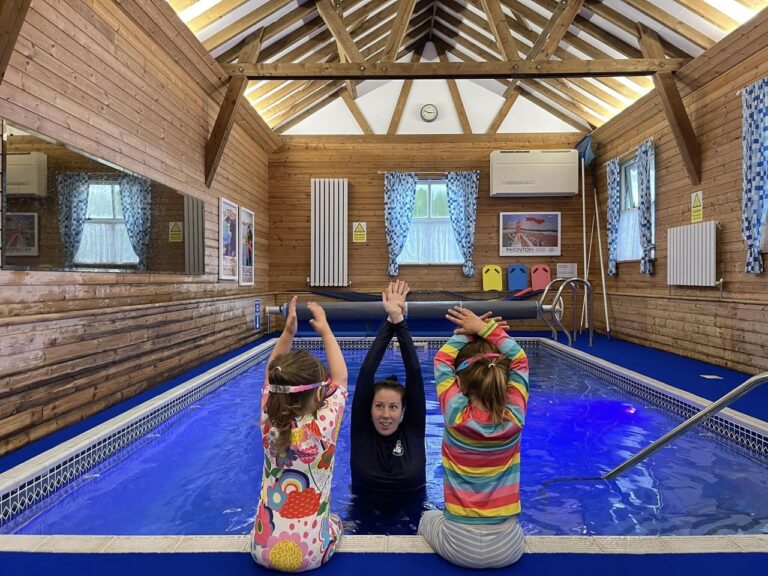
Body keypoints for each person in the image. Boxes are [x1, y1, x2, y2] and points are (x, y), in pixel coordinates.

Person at [418, 306, 529, 569]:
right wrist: (485, 329)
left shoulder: (455, 416)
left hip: (458, 544)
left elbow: (441, 359)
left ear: (461, 383)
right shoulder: (515, 418)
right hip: (508, 546)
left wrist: (467, 332)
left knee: (426, 518)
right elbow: (521, 358)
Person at [251, 296, 348, 572]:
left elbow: (272, 378)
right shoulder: (322, 427)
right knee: (337, 520)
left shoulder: (269, 422)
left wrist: (288, 333)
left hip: (261, 548)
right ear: (320, 393)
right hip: (312, 554)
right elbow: (340, 380)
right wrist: (326, 330)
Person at [350, 280, 426, 493]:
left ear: (403, 411)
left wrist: (398, 320)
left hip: (412, 522)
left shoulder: (413, 432)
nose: (385, 414)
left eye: (393, 407)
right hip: (362, 521)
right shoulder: (361, 433)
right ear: (369, 408)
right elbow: (366, 374)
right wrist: (392, 320)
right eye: (379, 406)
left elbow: (414, 374)